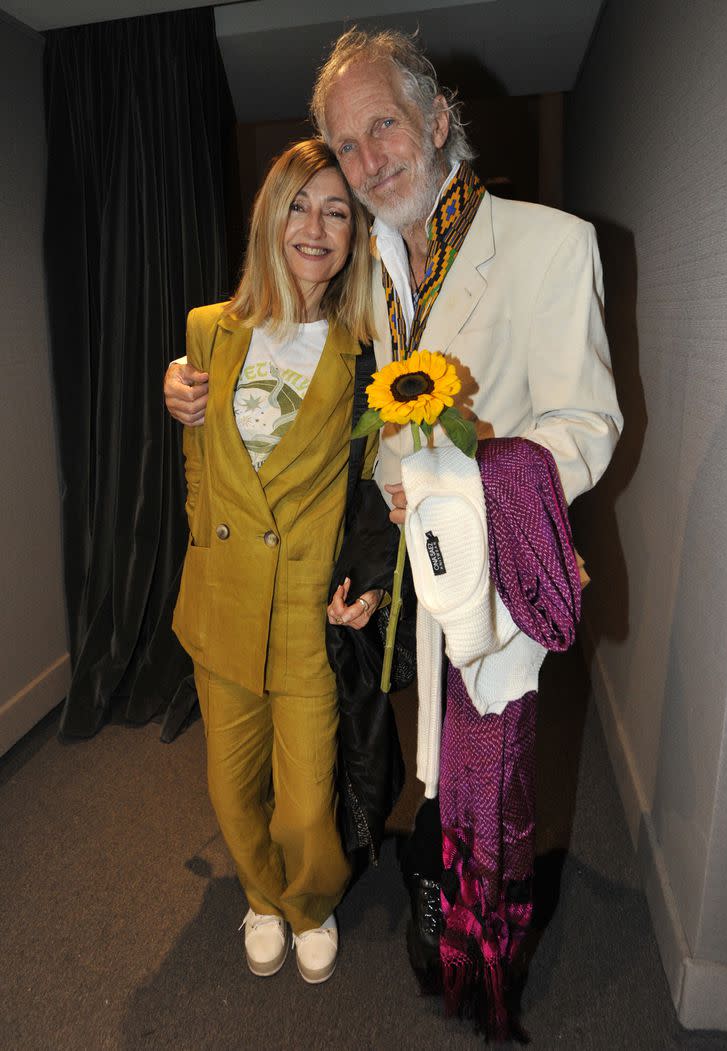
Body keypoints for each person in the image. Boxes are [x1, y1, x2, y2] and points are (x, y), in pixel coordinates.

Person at [166, 27, 623, 1035]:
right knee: (428, 765)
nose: (369, 161)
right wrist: (374, 564)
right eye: (347, 142)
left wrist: (471, 479)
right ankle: (439, 895)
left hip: (494, 573)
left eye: (384, 128)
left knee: (490, 787)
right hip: (412, 580)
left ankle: (480, 961)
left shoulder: (551, 244)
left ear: (438, 120)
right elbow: (365, 431)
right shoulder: (377, 265)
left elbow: (588, 427)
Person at [172, 138, 383, 986]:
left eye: (337, 210)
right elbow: (199, 472)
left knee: (304, 808)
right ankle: (262, 896)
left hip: (304, 612)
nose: (316, 226)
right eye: (300, 204)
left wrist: (366, 580)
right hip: (221, 601)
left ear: (354, 233)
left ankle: (312, 899)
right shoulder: (206, 331)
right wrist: (181, 409)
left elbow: (375, 480)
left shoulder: (363, 344)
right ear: (270, 215)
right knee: (231, 792)